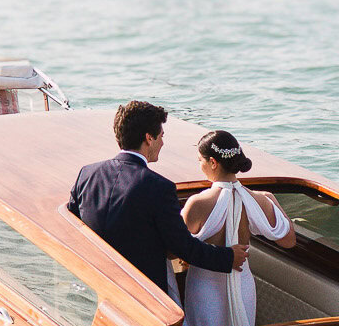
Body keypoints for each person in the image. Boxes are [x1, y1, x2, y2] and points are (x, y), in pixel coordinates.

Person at [68, 100, 248, 301]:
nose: (162, 143)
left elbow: (71, 226)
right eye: (161, 136)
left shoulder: (87, 174)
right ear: (149, 138)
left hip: (93, 285)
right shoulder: (159, 187)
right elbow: (183, 247)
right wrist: (228, 257)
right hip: (144, 296)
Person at [179, 129, 296, 326]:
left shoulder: (198, 203)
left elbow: (174, 248)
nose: (200, 166)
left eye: (200, 160)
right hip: (244, 287)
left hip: (205, 290)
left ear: (213, 162)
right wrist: (272, 202)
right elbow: (289, 241)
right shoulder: (262, 199)